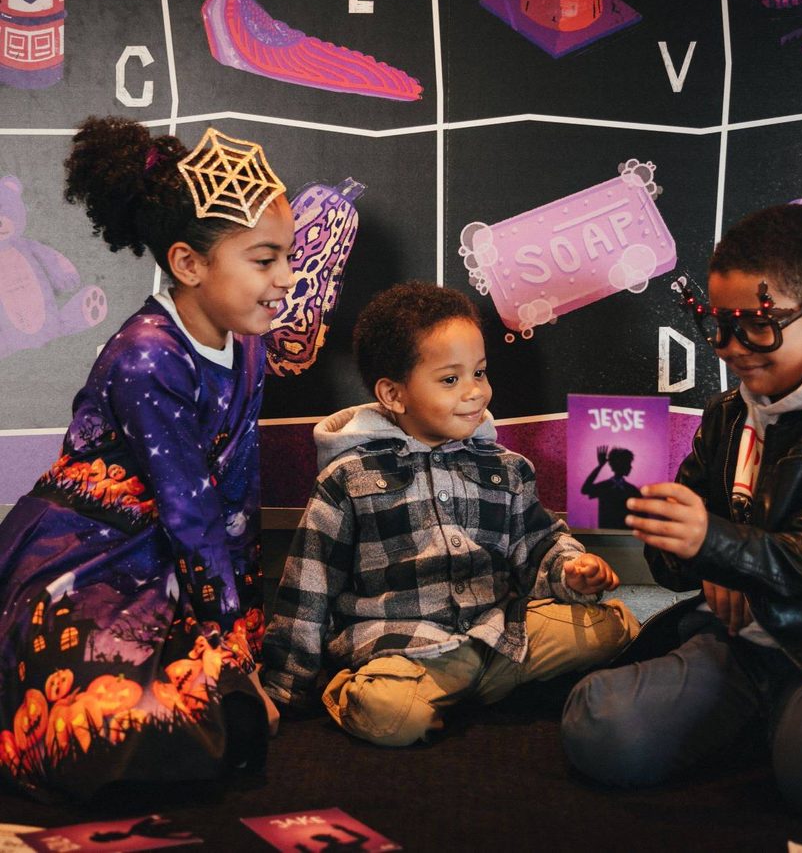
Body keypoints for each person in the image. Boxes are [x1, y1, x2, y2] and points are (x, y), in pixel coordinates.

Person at [561, 204, 802, 821]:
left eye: (757, 325)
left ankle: (789, 728)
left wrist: (717, 545)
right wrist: (690, 546)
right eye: (717, 324)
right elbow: (673, 565)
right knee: (601, 728)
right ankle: (772, 726)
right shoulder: (729, 414)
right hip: (742, 646)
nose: (732, 348)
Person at [0, 116, 292, 799]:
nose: (286, 277)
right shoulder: (145, 358)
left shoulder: (250, 344)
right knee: (95, 726)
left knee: (221, 710)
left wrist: (239, 643)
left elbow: (237, 499)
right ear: (189, 264)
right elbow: (192, 514)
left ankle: (223, 699)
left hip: (171, 559)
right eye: (264, 259)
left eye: (287, 254)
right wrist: (231, 664)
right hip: (86, 557)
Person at [263, 281, 639, 745]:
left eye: (479, 373)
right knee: (390, 714)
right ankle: (405, 693)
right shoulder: (349, 478)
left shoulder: (506, 468)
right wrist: (285, 688)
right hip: (407, 649)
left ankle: (462, 690)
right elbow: (308, 585)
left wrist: (572, 570)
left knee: (615, 626)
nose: (474, 393)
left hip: (498, 635)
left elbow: (537, 545)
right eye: (450, 379)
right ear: (394, 394)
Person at [580, 445, 640, 529]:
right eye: (628, 463)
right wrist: (600, 465)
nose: (630, 467)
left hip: (626, 536)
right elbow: (585, 489)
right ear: (621, 464)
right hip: (606, 535)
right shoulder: (605, 487)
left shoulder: (632, 490)